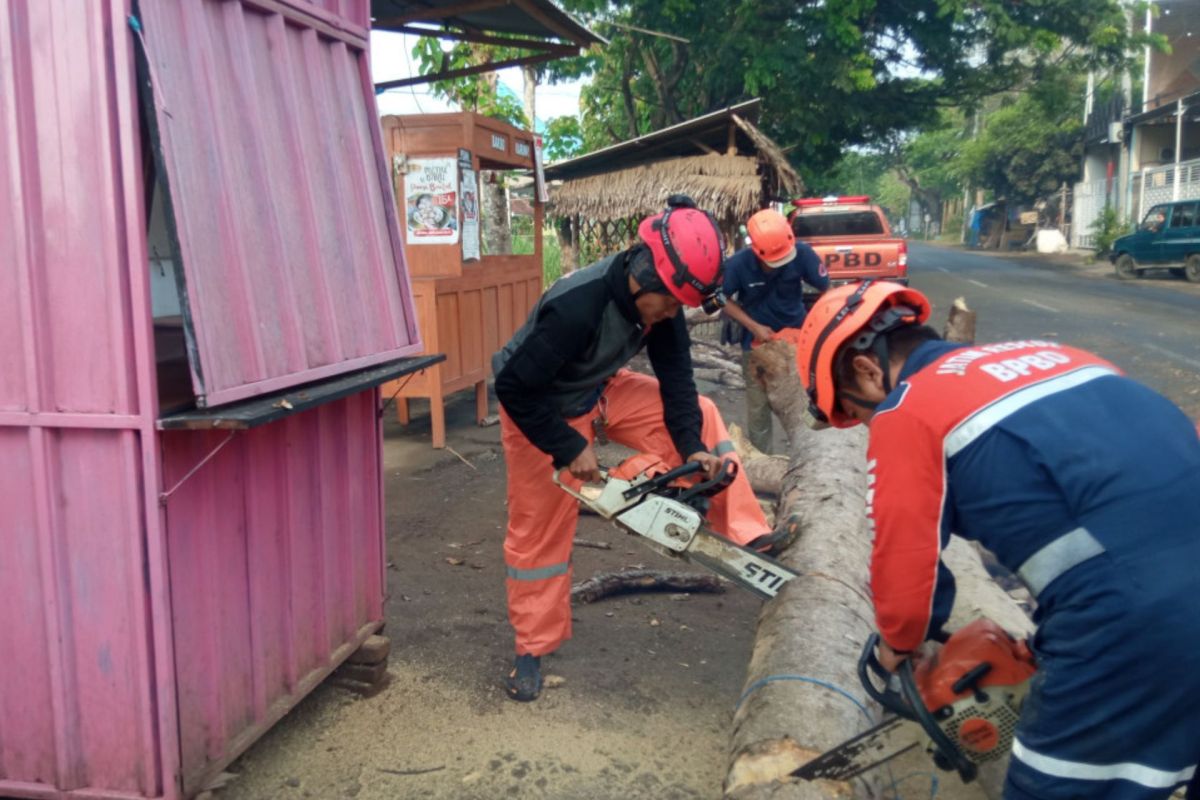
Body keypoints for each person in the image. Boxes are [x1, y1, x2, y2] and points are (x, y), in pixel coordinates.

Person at [792, 280, 1200, 799]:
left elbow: (906, 555)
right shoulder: (1061, 355)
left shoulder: (909, 411)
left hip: (1134, 621)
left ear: (866, 371)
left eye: (859, 413)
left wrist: (899, 643)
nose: (871, 425)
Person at [491, 196, 775, 702]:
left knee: (704, 414)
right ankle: (530, 648)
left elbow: (677, 381)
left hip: (599, 389)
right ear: (643, 277)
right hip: (538, 407)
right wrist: (564, 444)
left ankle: (746, 533)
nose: (670, 314)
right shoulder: (576, 307)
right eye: (666, 303)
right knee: (538, 533)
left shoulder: (659, 305)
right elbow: (512, 388)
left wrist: (692, 447)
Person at [721, 208, 829, 453]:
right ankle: (762, 457)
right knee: (758, 406)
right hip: (757, 343)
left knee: (806, 399)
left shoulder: (803, 254)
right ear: (756, 250)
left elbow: (826, 289)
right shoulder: (738, 265)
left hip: (797, 341)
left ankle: (811, 454)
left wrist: (817, 325)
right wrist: (753, 326)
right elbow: (719, 298)